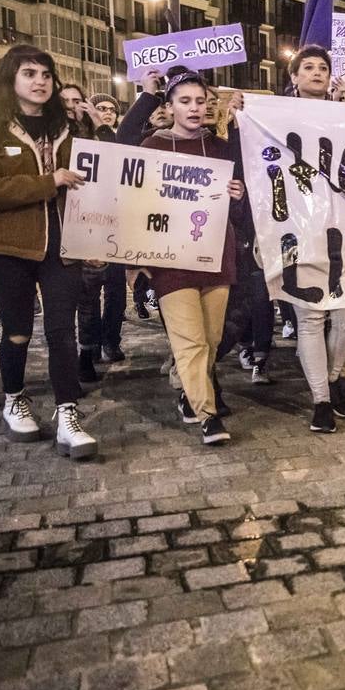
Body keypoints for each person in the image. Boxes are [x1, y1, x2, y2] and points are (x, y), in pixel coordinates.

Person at [0, 45, 98, 458]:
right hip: (6, 247)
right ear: (10, 80)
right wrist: (47, 181)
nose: (40, 81)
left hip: (63, 247)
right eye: (30, 73)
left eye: (46, 74)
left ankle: (68, 415)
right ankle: (15, 398)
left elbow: (96, 184)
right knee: (17, 330)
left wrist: (98, 237)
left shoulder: (68, 130)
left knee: (61, 332)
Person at [139, 71, 243, 445]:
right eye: (185, 101)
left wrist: (238, 192)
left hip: (215, 255)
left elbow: (243, 200)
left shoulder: (221, 147)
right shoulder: (151, 145)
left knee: (212, 339)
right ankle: (207, 415)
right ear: (170, 107)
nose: (195, 108)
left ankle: (189, 389)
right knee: (190, 341)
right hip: (171, 259)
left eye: (201, 101)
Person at [284, 45, 345, 432]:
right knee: (311, 318)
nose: (316, 72)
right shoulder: (277, 116)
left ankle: (333, 378)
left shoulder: (344, 117)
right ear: (295, 76)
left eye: (323, 67)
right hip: (299, 232)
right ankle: (320, 400)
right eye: (309, 67)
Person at [73, 96, 125, 382]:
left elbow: (118, 158)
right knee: (88, 297)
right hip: (84, 226)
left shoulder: (114, 140)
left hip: (115, 227)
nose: (105, 113)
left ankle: (109, 340)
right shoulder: (74, 140)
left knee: (115, 292)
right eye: (100, 108)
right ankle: (87, 351)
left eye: (110, 109)